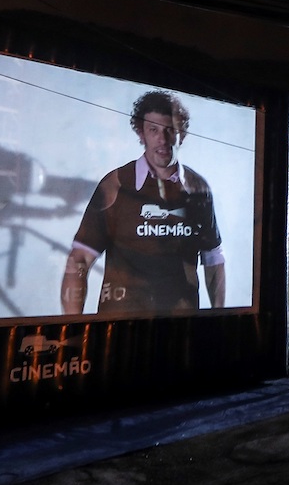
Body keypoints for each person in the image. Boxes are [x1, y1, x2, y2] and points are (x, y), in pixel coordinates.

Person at [61, 91, 225, 316]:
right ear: (141, 133)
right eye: (153, 130)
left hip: (182, 327)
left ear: (182, 134)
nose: (163, 139)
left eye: (170, 130)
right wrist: (72, 327)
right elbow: (80, 258)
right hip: (120, 328)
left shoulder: (198, 188)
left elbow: (213, 256)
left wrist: (221, 318)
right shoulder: (115, 185)